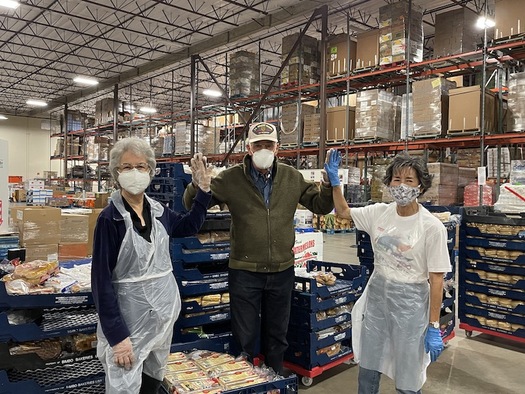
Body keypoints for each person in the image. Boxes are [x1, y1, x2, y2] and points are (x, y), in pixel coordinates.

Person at [183, 122, 334, 374]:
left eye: (268, 144)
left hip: (281, 269)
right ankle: (249, 380)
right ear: (248, 148)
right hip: (244, 271)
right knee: (246, 335)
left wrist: (329, 185)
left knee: (278, 333)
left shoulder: (291, 177)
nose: (263, 149)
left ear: (277, 148)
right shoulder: (231, 178)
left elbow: (320, 206)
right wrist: (198, 184)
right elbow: (192, 206)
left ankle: (274, 375)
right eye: (258, 145)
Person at [323, 149, 450, 394]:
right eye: (397, 179)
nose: (402, 186)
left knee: (408, 372)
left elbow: (436, 279)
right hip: (378, 299)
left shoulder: (432, 227)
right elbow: (343, 212)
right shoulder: (378, 212)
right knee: (369, 365)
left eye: (409, 180)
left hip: (411, 306)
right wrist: (336, 183)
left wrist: (434, 326)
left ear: (420, 186)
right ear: (389, 183)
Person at [91, 137, 212, 393]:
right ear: (116, 172)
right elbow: (101, 282)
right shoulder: (109, 219)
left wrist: (202, 191)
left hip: (161, 320)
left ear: (151, 171)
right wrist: (118, 338)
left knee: (152, 380)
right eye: (127, 167)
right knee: (124, 384)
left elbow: (188, 226)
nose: (134, 172)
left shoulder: (159, 211)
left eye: (141, 166)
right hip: (128, 327)